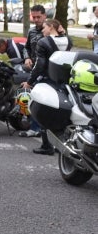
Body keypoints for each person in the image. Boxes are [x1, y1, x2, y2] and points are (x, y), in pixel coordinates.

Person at [22, 18, 72, 155]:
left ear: (50, 27)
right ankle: (63, 144)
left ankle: (46, 146)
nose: (42, 30)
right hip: (63, 81)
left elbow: (40, 65)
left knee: (44, 111)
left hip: (47, 79)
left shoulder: (43, 42)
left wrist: (29, 81)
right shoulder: (68, 40)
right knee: (62, 111)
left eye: (44, 27)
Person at [20, 5, 48, 139]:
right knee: (26, 96)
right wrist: (26, 58)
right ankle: (32, 126)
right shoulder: (31, 32)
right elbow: (26, 48)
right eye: (34, 17)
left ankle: (41, 129)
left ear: (45, 16)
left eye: (38, 17)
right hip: (33, 69)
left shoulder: (50, 31)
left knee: (41, 100)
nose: (36, 20)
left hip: (46, 71)